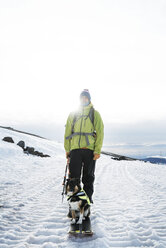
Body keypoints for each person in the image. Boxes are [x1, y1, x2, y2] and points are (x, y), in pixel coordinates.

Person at [64, 89, 104, 204]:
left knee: (88, 177)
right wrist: (67, 149)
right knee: (74, 178)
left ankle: (86, 201)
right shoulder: (73, 113)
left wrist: (97, 150)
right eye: (82, 97)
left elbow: (100, 132)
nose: (84, 99)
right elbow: (67, 133)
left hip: (89, 150)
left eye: (86, 97)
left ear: (89, 99)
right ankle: (76, 201)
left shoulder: (94, 113)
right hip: (75, 149)